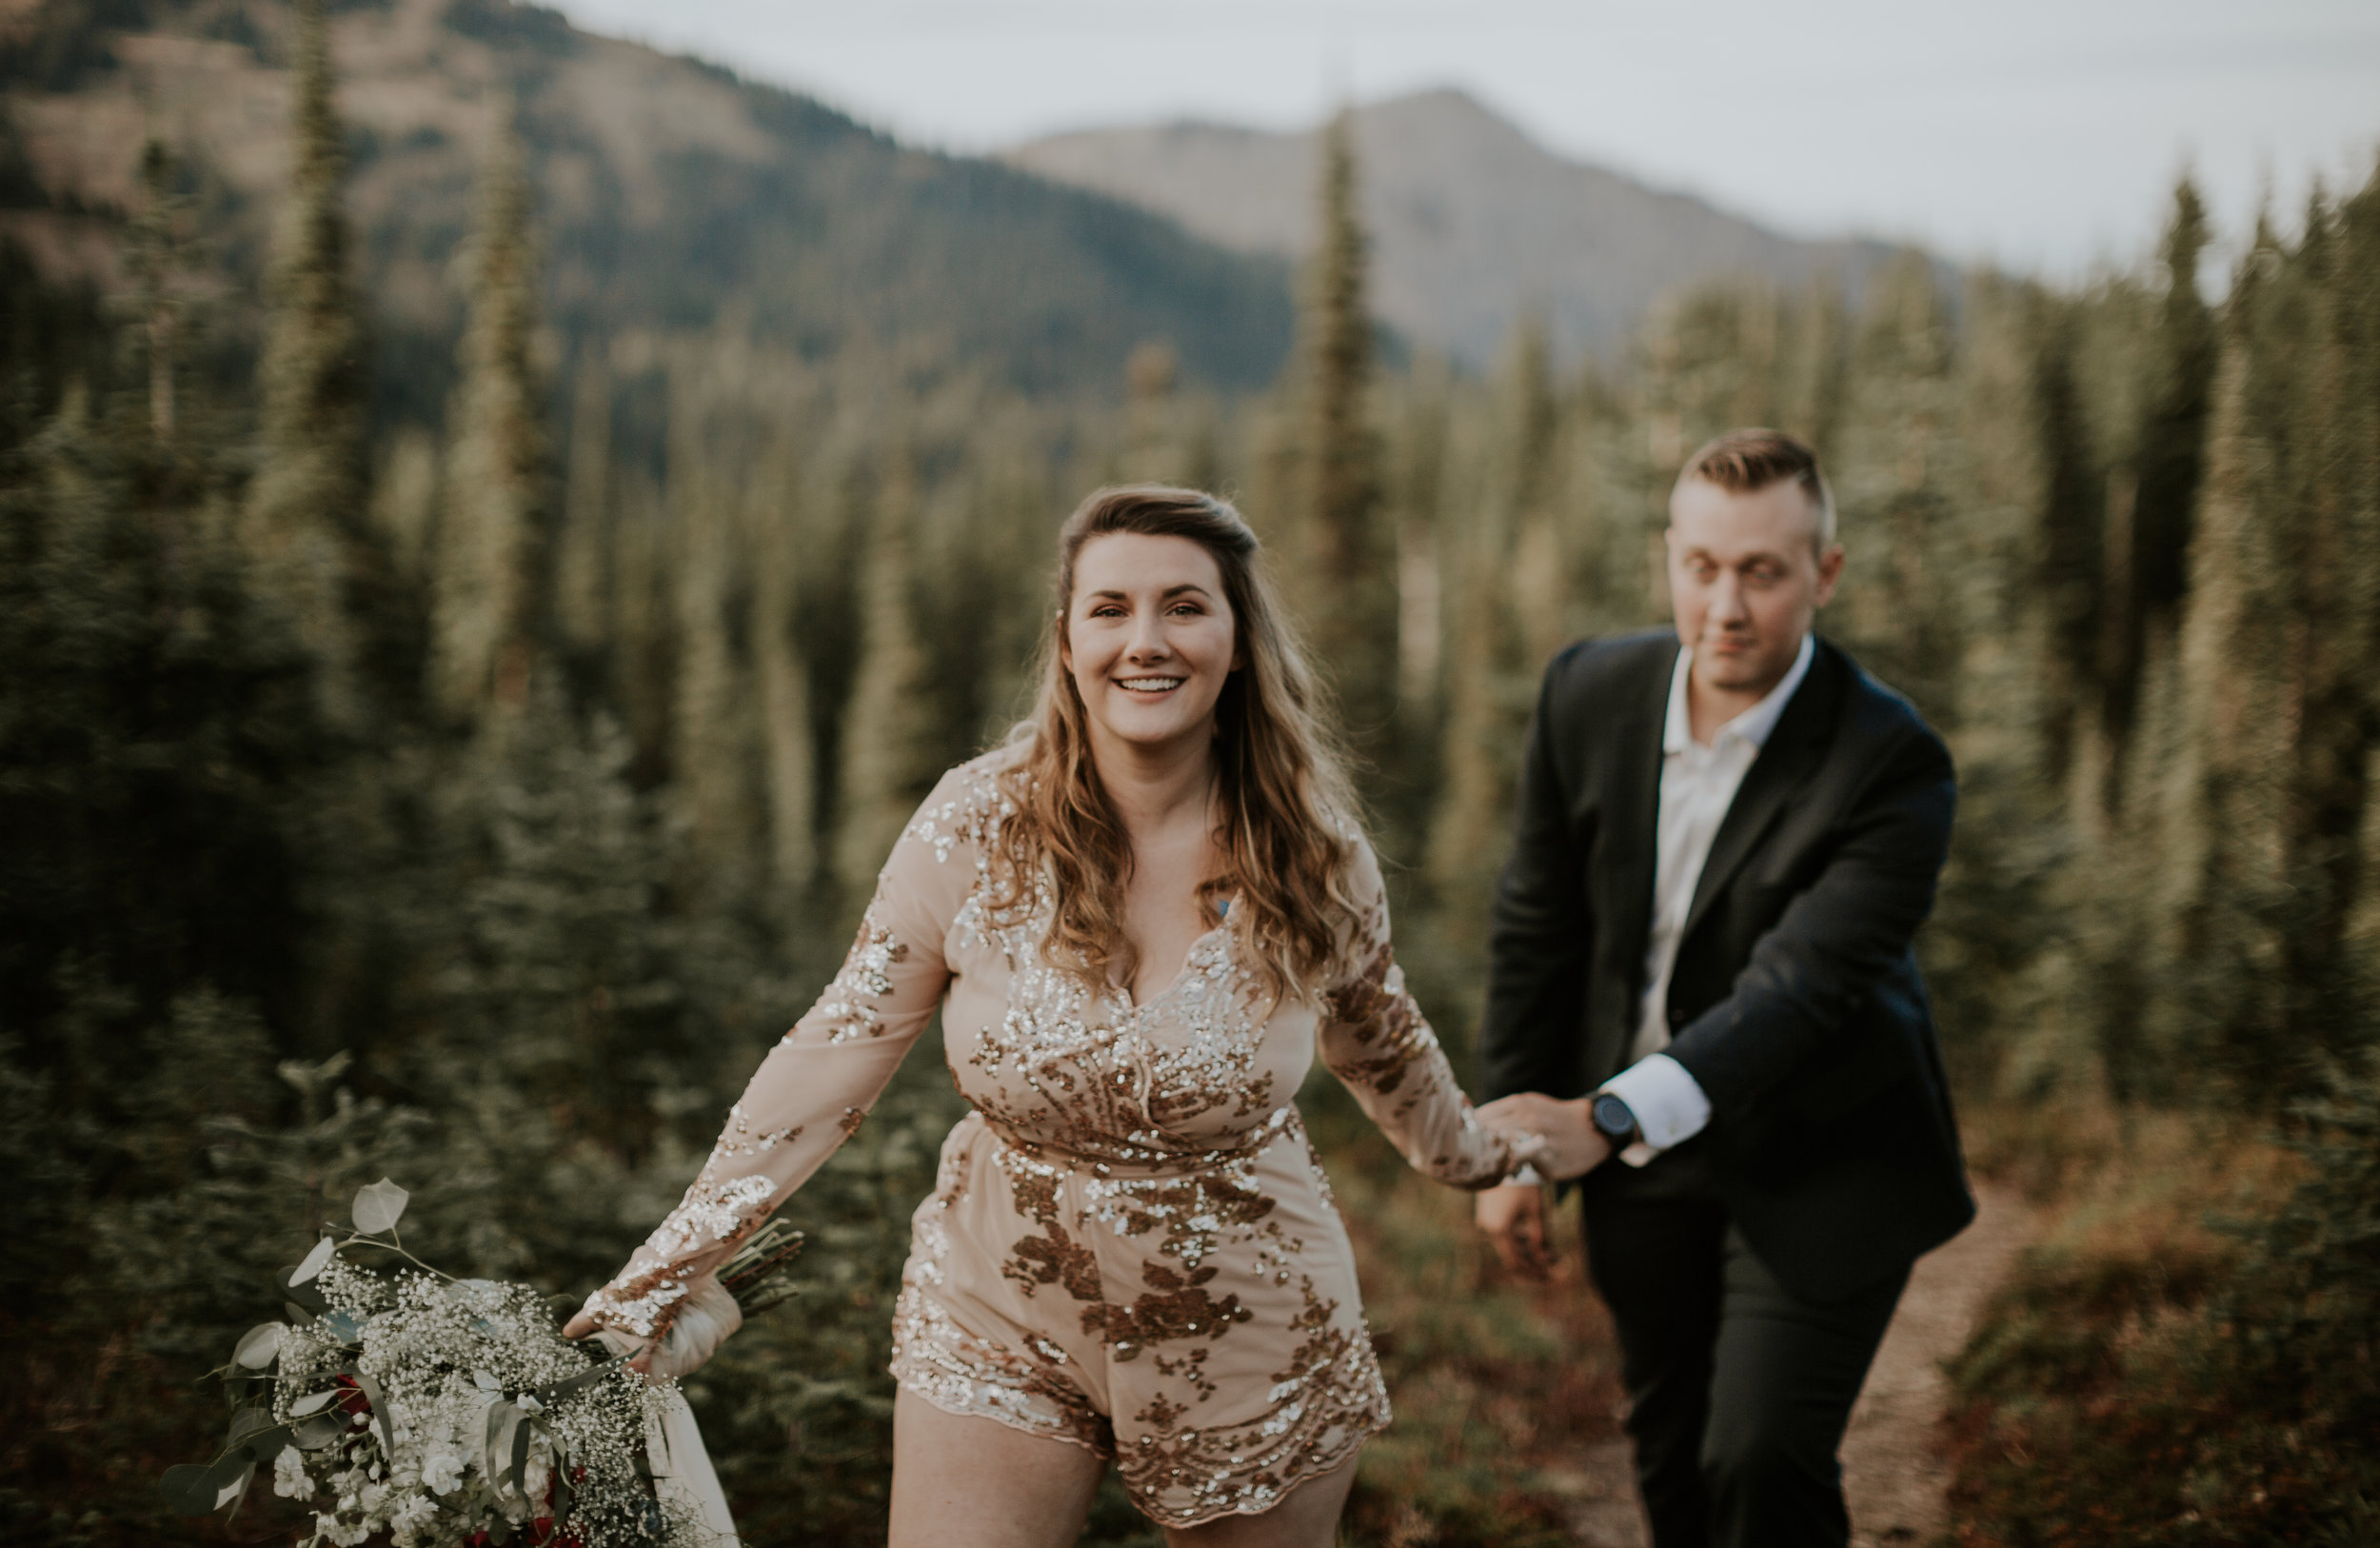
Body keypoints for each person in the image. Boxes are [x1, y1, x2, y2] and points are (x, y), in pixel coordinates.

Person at [568, 485, 1524, 1547]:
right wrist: (659, 1272)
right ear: (1066, 642)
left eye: (1185, 607)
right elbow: (836, 1048)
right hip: (998, 1304)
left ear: (1240, 640)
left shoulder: (1311, 850)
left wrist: (1490, 1159)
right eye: (1109, 608)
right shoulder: (973, 825)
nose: (1145, 641)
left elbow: (1381, 1043)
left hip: (1254, 1323)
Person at [1474, 429, 1975, 1548]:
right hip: (1641, 1163)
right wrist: (1507, 1140)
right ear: (1669, 557)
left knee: (1760, 1453)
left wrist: (1601, 1115)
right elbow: (1537, 928)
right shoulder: (1585, 693)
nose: (1727, 604)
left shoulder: (1892, 762)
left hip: (1823, 1147)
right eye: (1702, 566)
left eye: (1762, 570)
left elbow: (1797, 991)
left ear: (1824, 573)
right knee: (1671, 1445)